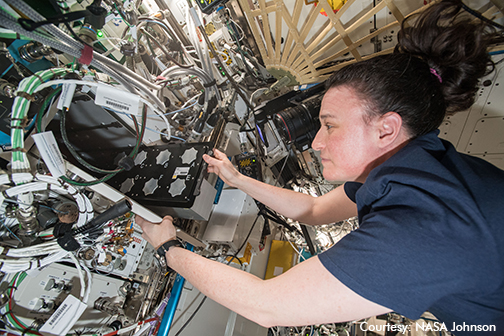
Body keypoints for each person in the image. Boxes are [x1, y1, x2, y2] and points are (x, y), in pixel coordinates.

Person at [136, 0, 504, 334]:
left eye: (329, 125)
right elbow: (313, 210)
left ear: (386, 128)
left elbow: (266, 306)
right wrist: (238, 180)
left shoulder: (426, 229)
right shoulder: (421, 167)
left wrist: (166, 247)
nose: (315, 142)